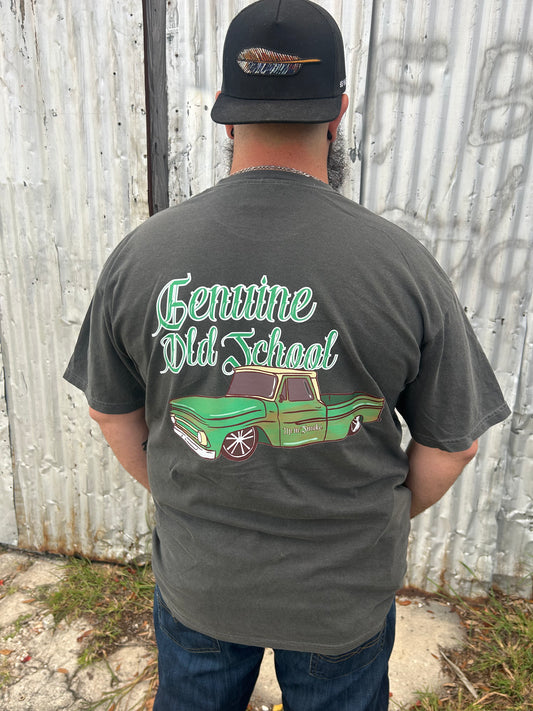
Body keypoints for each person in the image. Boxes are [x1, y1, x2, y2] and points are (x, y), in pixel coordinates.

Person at [64, 1, 510, 709]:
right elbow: (453, 445)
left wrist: (188, 497)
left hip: (201, 583)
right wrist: (374, 521)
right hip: (340, 597)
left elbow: (110, 411)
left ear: (224, 111)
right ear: (338, 110)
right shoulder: (402, 267)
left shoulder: (141, 255)